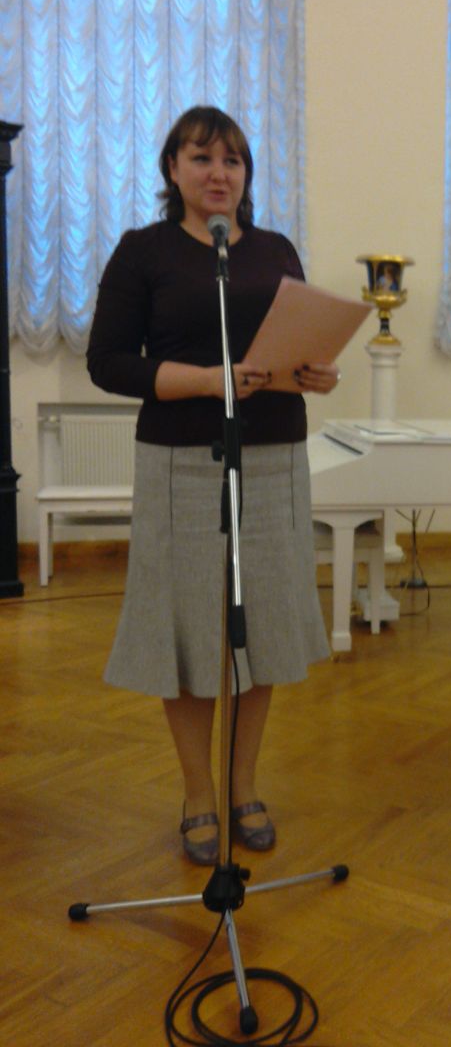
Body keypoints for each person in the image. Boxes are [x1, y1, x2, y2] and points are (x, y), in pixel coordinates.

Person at [87, 106, 338, 864]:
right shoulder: (144, 251)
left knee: (260, 629)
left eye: (232, 160)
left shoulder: (273, 249)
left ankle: (243, 785)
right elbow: (108, 363)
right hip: (181, 462)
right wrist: (208, 380)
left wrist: (317, 372)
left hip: (274, 456)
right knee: (193, 630)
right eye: (201, 158)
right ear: (173, 169)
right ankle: (199, 793)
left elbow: (297, 341)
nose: (218, 173)